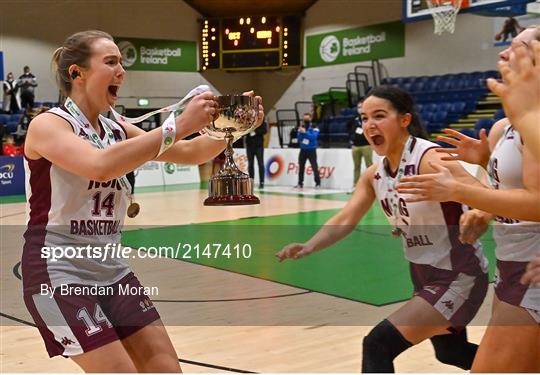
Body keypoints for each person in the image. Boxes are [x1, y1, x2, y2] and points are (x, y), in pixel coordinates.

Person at [22, 30, 263, 373]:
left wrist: (235, 125)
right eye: (111, 62)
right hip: (57, 271)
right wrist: (178, 126)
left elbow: (193, 153)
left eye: (121, 62)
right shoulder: (48, 125)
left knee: (167, 369)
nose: (121, 70)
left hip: (112, 271)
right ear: (77, 73)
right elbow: (100, 166)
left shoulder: (116, 127)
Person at [277, 86, 488, 372]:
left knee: (378, 344)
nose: (369, 125)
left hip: (458, 274)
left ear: (404, 120)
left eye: (379, 116)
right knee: (451, 352)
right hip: (423, 273)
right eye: (364, 118)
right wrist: (310, 245)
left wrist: (479, 214)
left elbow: (481, 192)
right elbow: (346, 217)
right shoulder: (375, 174)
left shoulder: (429, 158)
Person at [396, 26, 540, 373]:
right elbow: (507, 193)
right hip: (511, 264)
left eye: (518, 49)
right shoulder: (503, 126)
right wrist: (483, 201)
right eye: (507, 46)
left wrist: (462, 191)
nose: (504, 54)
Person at [347, 98, 373, 188]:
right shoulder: (354, 119)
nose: (359, 108)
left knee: (369, 166)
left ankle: (372, 185)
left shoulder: (369, 118)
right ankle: (356, 185)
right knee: (356, 166)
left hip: (366, 145)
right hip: (356, 146)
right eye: (358, 107)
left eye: (361, 107)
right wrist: (351, 139)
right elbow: (348, 129)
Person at [295, 113, 321, 188]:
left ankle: (318, 183)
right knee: (301, 167)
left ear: (310, 118)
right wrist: (303, 134)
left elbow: (313, 137)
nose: (305, 120)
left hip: (311, 150)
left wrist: (305, 133)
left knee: (314, 166)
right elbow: (299, 138)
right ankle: (300, 183)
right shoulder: (301, 127)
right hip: (303, 150)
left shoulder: (314, 127)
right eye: (304, 119)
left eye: (307, 119)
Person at [244, 119, 267, 189]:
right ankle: (251, 181)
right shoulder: (248, 120)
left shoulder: (261, 120)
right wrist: (248, 131)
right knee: (250, 164)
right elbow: (244, 131)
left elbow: (264, 130)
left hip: (259, 145)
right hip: (249, 145)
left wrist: (255, 131)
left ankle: (262, 182)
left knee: (260, 163)